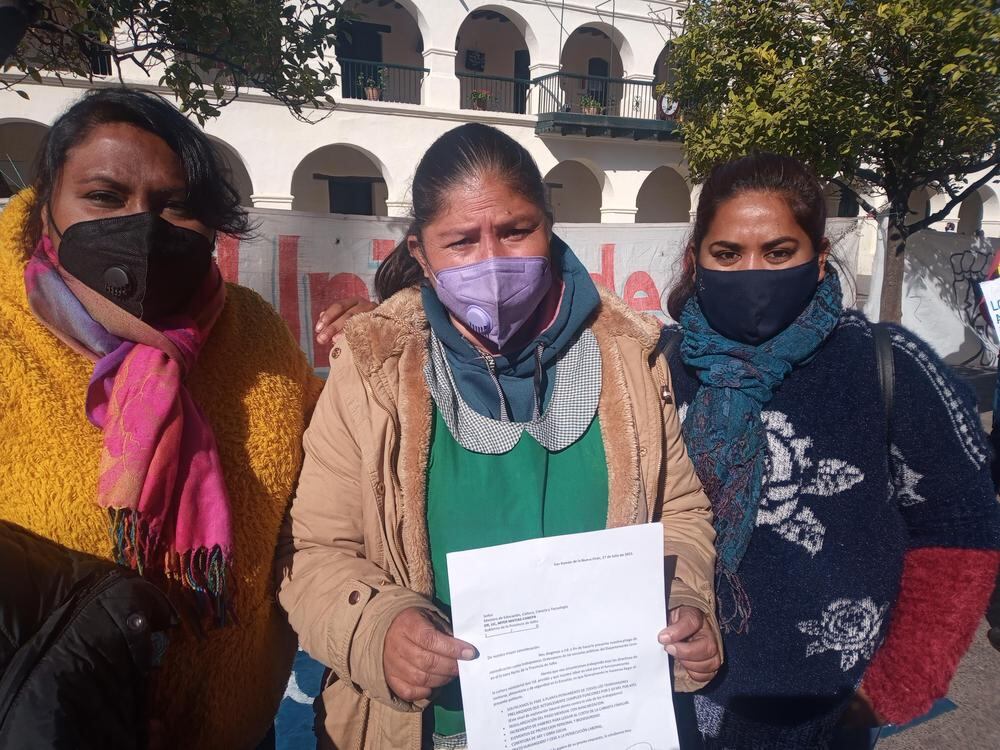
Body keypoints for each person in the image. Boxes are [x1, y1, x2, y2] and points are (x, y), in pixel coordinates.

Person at [276, 123, 722, 749]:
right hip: (432, 730)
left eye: (515, 231)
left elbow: (680, 512)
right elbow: (314, 550)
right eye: (461, 241)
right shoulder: (372, 372)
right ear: (421, 253)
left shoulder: (630, 359)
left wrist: (681, 598)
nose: (492, 261)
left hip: (595, 721)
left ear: (549, 224)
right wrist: (377, 630)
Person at [0, 87, 321, 749]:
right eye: (104, 196)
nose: (141, 226)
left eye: (176, 205)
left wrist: (373, 356)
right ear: (47, 206)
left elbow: (324, 483)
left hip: (241, 730)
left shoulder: (255, 335)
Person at [662, 153, 1000, 748]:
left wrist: (896, 685)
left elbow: (960, 528)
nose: (752, 272)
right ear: (696, 260)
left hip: (827, 710)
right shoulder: (661, 367)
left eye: (778, 252)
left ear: (818, 258)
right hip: (679, 696)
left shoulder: (886, 365)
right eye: (728, 254)